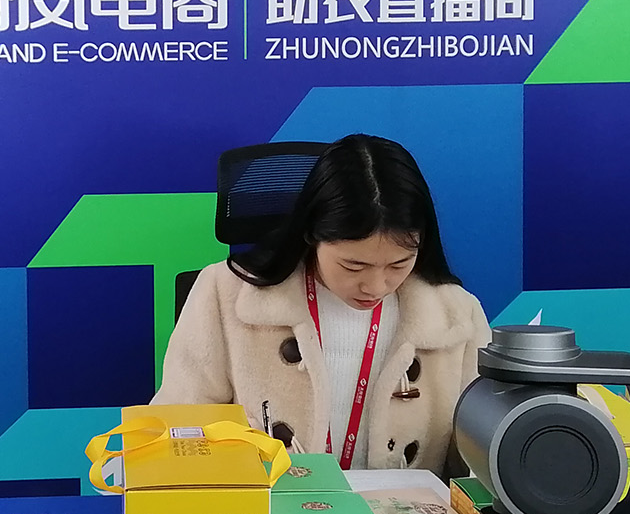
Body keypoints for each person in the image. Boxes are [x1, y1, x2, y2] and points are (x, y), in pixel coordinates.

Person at [153, 134, 491, 476]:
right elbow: (179, 425)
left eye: (398, 264)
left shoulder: (457, 315)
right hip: (266, 507)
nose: (376, 286)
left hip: (403, 511)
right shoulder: (226, 294)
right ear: (311, 234)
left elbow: (482, 462)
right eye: (353, 266)